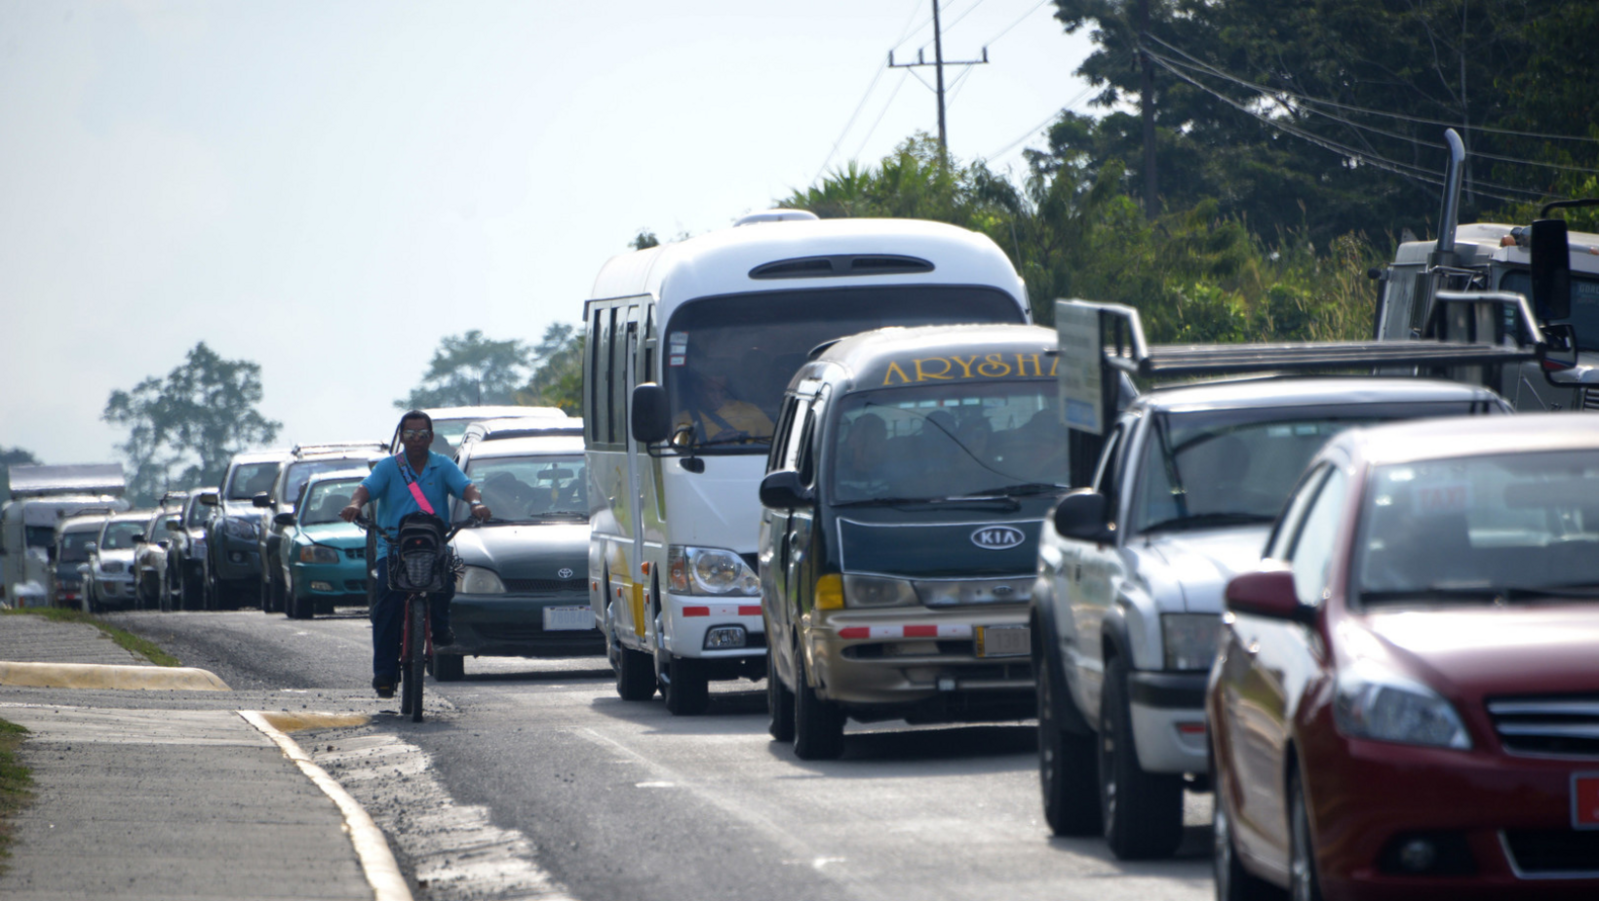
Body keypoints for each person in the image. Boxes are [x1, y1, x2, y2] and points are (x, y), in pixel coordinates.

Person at [340, 410, 491, 698]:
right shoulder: (388, 467)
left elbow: (467, 488)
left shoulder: (443, 465)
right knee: (387, 604)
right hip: (393, 547)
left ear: (431, 437)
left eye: (422, 434)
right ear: (402, 437)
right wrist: (355, 505)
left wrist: (476, 504)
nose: (416, 440)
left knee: (448, 578)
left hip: (433, 546)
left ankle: (440, 628)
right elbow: (365, 489)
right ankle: (385, 673)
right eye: (410, 434)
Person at [675, 370, 773, 442]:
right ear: (697, 389)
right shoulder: (683, 420)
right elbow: (681, 452)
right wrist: (712, 443)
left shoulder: (750, 410)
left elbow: (773, 442)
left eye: (721, 391)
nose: (717, 397)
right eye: (711, 391)